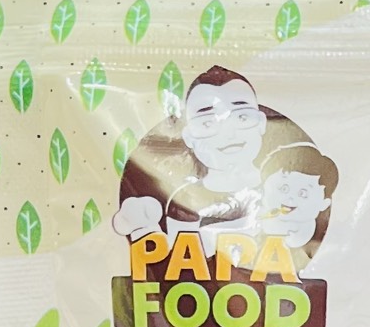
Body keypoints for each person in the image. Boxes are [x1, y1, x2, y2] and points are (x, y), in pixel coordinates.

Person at [111, 67, 336, 268]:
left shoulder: (282, 191)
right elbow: (175, 264)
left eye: (242, 117)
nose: (228, 133)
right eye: (208, 123)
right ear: (188, 136)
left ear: (261, 123)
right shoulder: (182, 201)